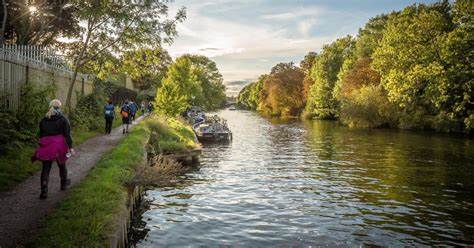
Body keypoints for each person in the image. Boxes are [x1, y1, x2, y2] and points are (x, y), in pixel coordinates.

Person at [32, 99, 73, 199]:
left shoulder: (43, 120)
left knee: (46, 168)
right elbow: (67, 135)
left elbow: (41, 135)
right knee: (62, 164)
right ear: (59, 107)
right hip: (59, 145)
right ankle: (63, 184)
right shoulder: (63, 119)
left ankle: (44, 190)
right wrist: (70, 147)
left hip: (46, 145)